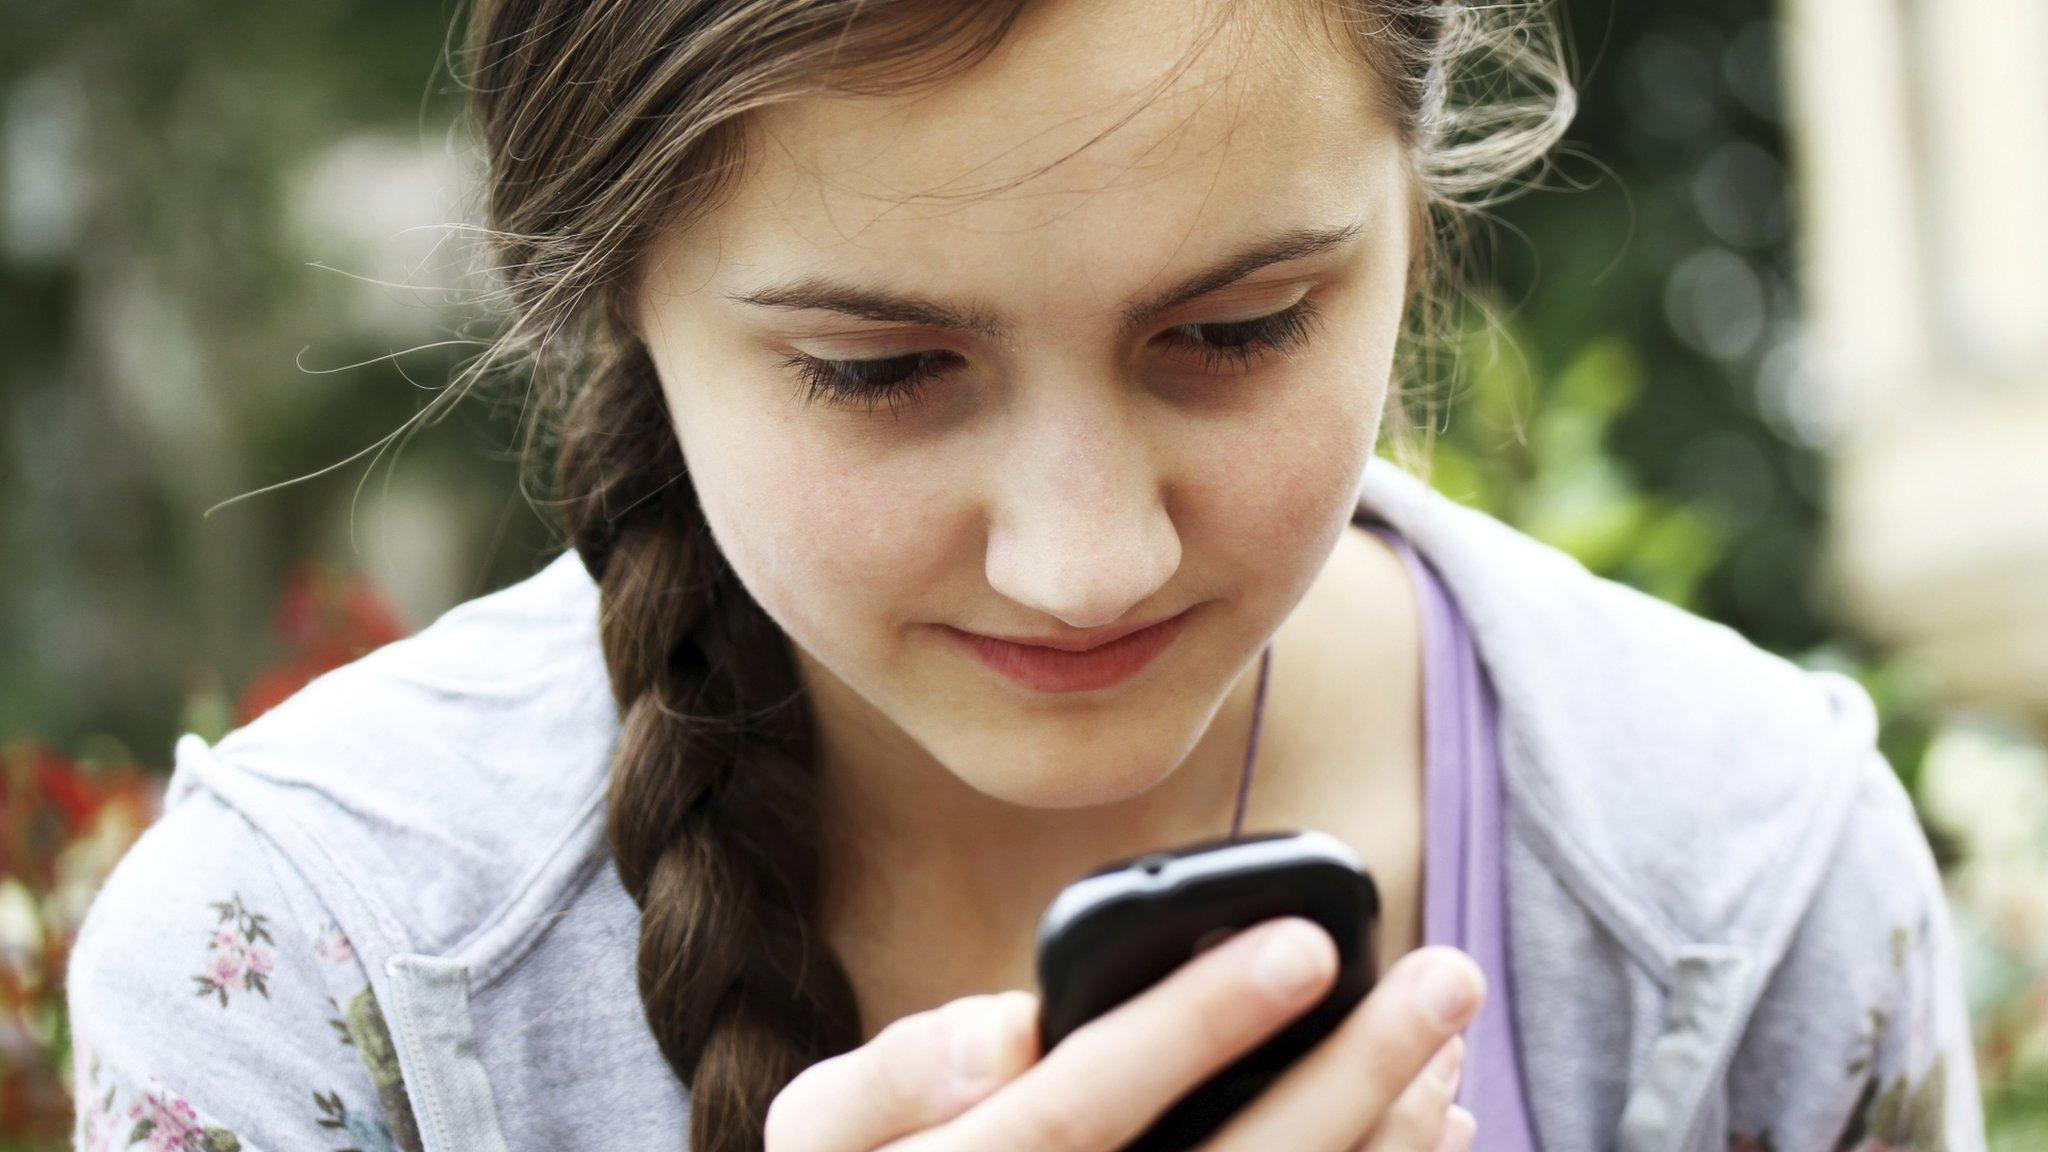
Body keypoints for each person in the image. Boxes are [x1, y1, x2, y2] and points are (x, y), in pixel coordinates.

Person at [66, 1, 1987, 1150]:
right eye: (883, 371)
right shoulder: (316, 968)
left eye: (1236, 329)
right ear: (616, 301)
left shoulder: (1740, 884)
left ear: (1414, 208)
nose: (1087, 563)